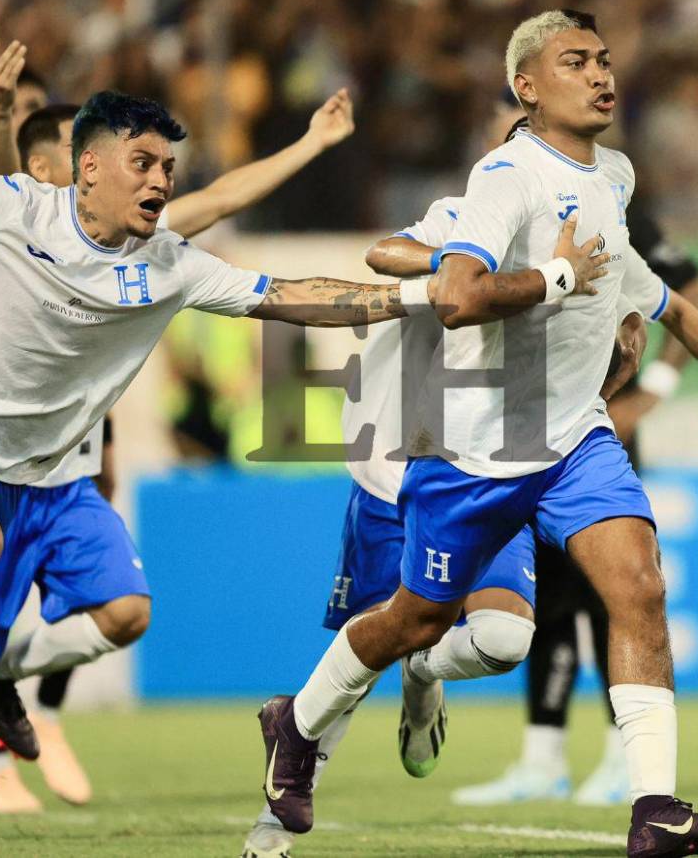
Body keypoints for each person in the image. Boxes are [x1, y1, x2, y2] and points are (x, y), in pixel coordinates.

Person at [258, 9, 698, 858]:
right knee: (413, 620)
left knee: (639, 587)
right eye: (576, 61)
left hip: (576, 437)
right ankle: (296, 722)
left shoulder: (614, 176)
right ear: (527, 86)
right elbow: (454, 295)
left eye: (605, 60)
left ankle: (654, 807)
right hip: (477, 449)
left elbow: (669, 303)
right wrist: (555, 275)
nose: (600, 74)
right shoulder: (504, 177)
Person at [0, 89, 416, 826]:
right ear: (87, 167)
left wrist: (415, 296)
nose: (160, 180)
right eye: (142, 162)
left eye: (168, 167)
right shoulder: (14, 206)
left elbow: (291, 296)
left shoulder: (170, 265)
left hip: (21, 470)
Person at [242, 195, 637, 857]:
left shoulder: (587, 235)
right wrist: (468, 270)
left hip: (491, 469)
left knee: (508, 637)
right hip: (392, 469)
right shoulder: (474, 213)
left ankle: (424, 668)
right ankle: (272, 831)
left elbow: (646, 316)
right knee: (360, 662)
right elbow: (383, 253)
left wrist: (621, 355)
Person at [452, 186, 698, 808]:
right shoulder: (506, 200)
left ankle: (623, 756)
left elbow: (693, 294)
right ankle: (543, 757)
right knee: (552, 598)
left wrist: (652, 393)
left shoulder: (614, 208)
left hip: (596, 432)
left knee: (611, 592)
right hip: (533, 435)